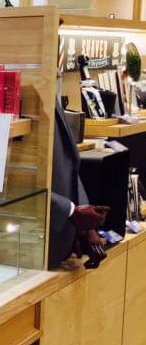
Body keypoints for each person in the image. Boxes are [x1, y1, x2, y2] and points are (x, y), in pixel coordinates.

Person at [50, 96, 109, 269]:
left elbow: (70, 164)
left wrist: (86, 227)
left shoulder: (48, 90)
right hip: (32, 246)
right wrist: (71, 211)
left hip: (60, 242)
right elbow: (14, 180)